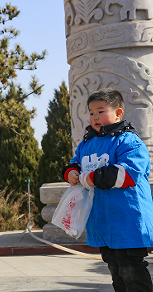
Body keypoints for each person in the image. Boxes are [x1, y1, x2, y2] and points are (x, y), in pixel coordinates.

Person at [62, 88, 153, 292]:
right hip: (103, 221)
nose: (95, 117)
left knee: (132, 271)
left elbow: (127, 174)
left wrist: (91, 178)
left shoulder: (129, 141)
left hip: (128, 220)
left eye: (101, 111)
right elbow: (75, 162)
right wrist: (71, 172)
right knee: (116, 271)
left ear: (118, 113)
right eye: (91, 112)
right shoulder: (87, 143)